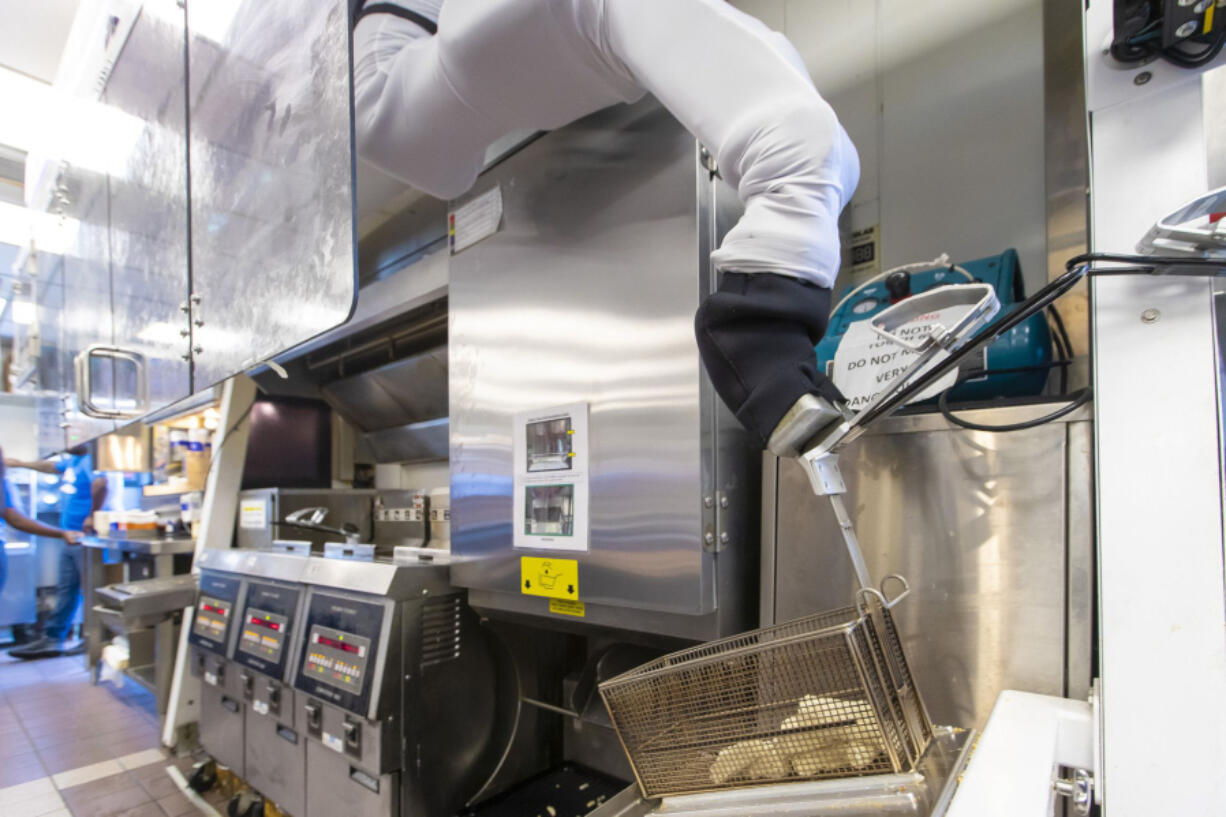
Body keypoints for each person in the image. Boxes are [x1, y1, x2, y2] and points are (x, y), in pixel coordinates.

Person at [352, 0, 858, 453]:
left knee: (830, 155)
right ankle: (760, 318)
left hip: (434, 73)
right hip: (398, 60)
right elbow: (389, 128)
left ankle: (762, 314)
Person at [5, 444, 106, 659]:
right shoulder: (73, 461)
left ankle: (92, 639)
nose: (66, 444)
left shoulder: (91, 460)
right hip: (67, 536)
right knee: (66, 590)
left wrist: (91, 515)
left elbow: (101, 483)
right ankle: (53, 639)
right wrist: (20, 463)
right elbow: (50, 466)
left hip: (84, 535)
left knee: (90, 590)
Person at [0, 447, 83, 642]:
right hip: (72, 534)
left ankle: (59, 638)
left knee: (70, 589)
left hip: (79, 537)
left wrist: (20, 463)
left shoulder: (84, 462)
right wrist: (61, 533)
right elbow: (14, 518)